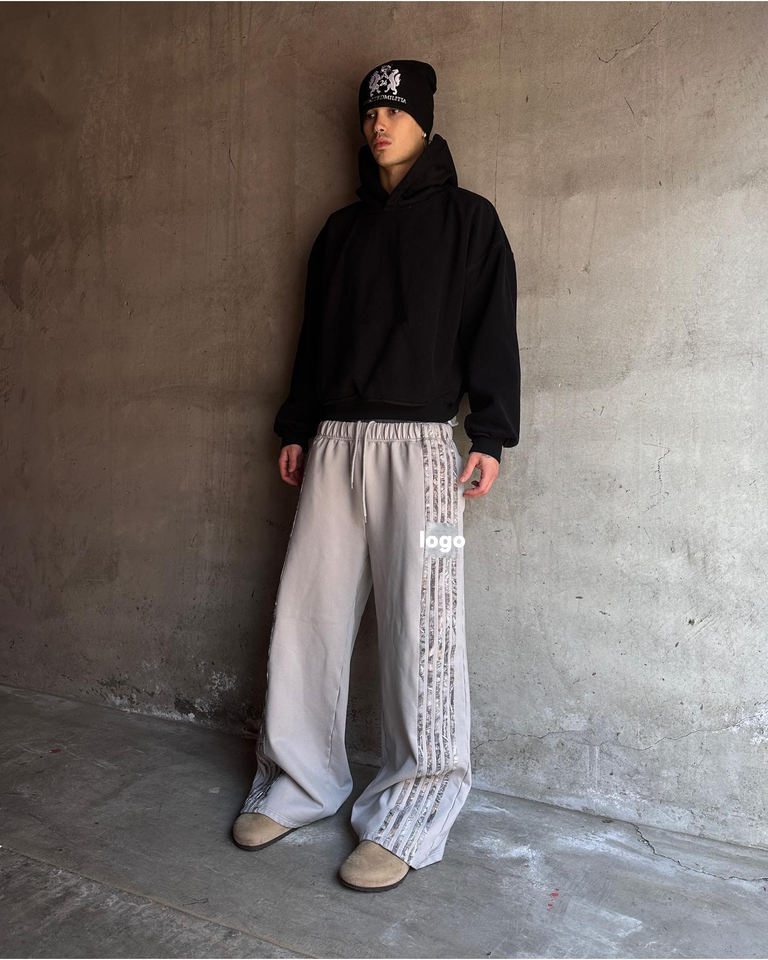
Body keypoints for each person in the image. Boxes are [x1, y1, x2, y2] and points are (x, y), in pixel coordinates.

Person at [231, 59, 520, 892]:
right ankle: (300, 783)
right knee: (307, 616)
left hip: (425, 452)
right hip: (334, 445)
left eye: (394, 110)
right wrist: (298, 425)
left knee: (424, 626)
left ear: (424, 120)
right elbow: (313, 340)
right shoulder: (339, 233)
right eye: (370, 112)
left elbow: (492, 329)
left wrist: (490, 434)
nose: (379, 124)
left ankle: (413, 808)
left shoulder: (470, 222)